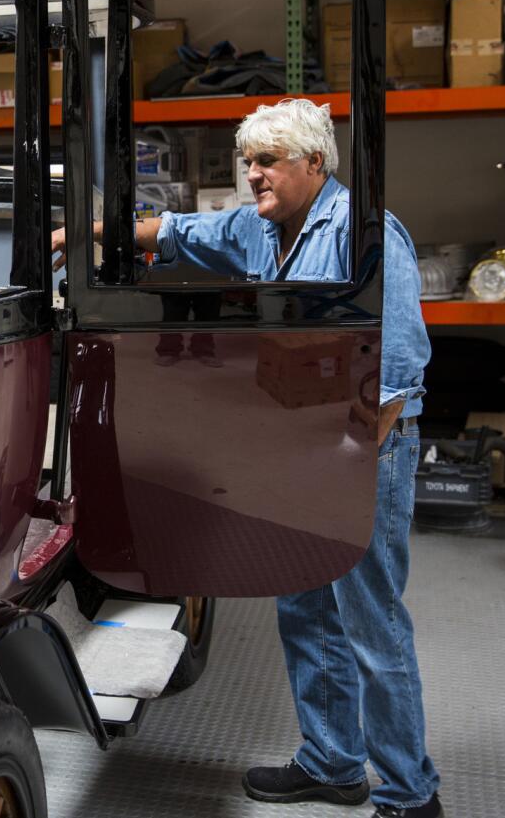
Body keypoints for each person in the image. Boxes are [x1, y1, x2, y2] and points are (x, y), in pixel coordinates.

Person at [51, 98, 439, 818]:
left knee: (368, 618)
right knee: (303, 598)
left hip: (365, 443)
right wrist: (82, 231)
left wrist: (346, 457)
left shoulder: (367, 234)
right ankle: (333, 760)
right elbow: (176, 229)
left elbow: (400, 371)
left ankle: (411, 791)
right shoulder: (261, 229)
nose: (253, 174)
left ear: (315, 164)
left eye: (268, 161)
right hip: (300, 441)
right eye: (248, 161)